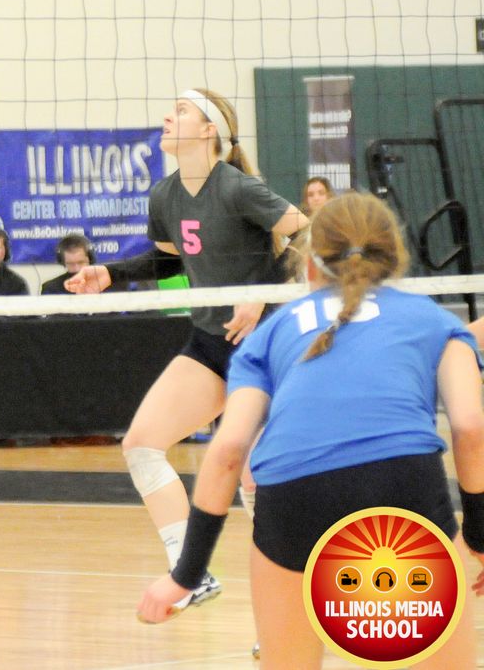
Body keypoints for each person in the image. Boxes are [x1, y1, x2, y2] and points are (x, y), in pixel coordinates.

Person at [137, 192, 483, 669]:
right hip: (403, 485)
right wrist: (479, 538)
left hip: (294, 499)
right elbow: (470, 428)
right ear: (395, 257)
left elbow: (229, 450)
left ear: (309, 265)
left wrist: (185, 575)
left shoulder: (269, 333)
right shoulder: (433, 319)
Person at [68, 89, 309, 611]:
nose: (166, 116)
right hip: (209, 343)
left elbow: (307, 234)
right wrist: (110, 273)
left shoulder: (238, 188)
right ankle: (190, 573)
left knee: (256, 473)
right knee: (141, 445)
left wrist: (260, 292)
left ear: (208, 131)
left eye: (180, 111)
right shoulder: (165, 195)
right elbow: (169, 260)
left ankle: (286, 604)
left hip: (263, 346)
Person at [39, 232, 123, 295]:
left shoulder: (111, 284)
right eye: (71, 264)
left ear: (90, 259)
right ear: (63, 262)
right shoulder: (51, 289)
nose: (77, 269)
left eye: (81, 262)